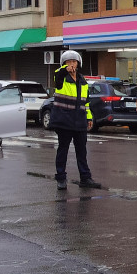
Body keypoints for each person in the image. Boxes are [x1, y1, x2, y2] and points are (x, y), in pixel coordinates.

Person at [50, 50, 102, 190]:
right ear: (64, 64)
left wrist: (89, 117)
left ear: (78, 64)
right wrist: (63, 69)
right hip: (64, 120)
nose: (72, 64)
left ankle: (85, 178)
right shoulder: (61, 78)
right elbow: (57, 75)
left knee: (82, 151)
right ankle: (61, 178)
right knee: (63, 150)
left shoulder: (83, 82)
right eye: (69, 62)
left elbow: (86, 102)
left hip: (79, 121)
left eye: (74, 62)